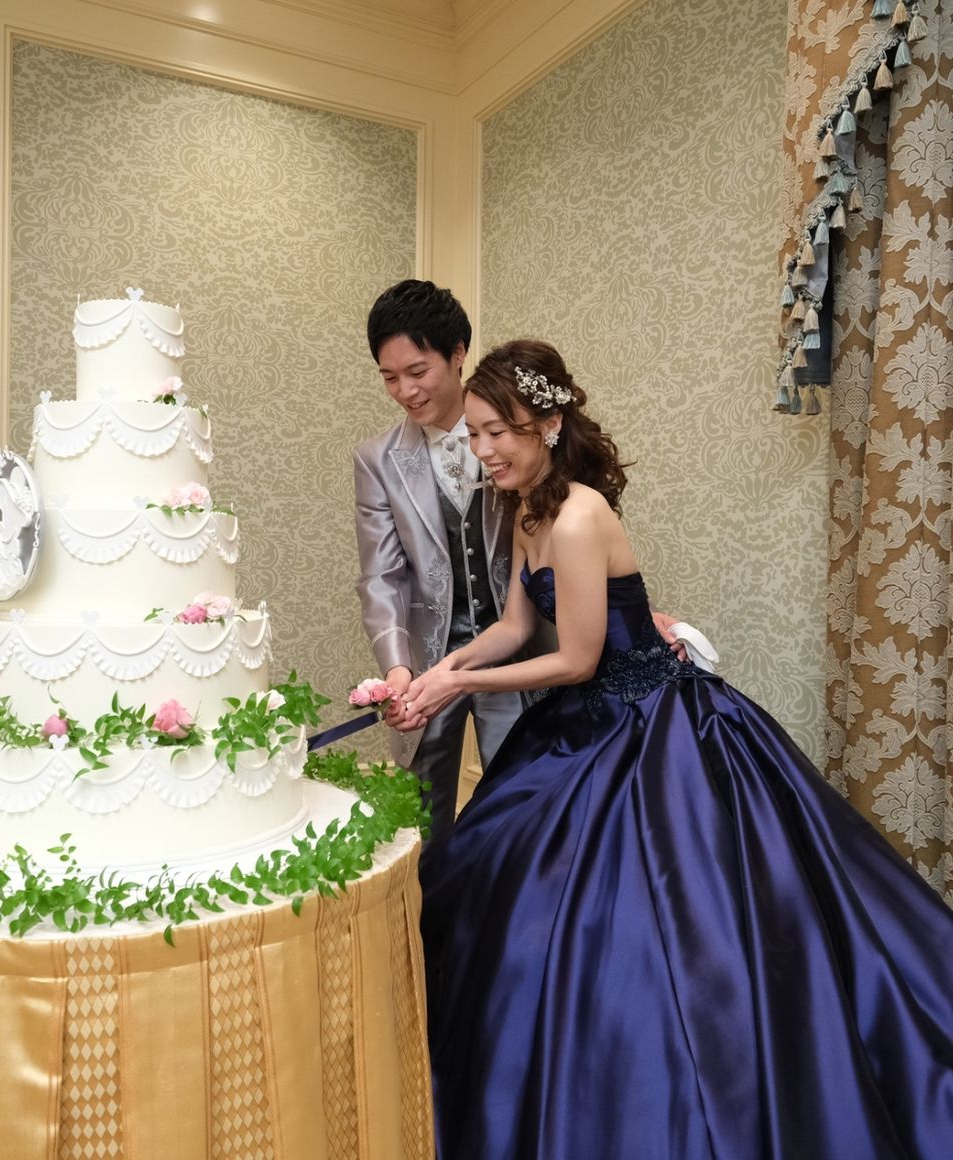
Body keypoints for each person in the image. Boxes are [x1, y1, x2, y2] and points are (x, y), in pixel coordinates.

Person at [407, 339, 953, 1159]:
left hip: (652, 720)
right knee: (481, 862)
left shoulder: (581, 513)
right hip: (587, 718)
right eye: (475, 434)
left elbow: (577, 658)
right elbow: (517, 628)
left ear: (548, 424)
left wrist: (460, 688)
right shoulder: (525, 510)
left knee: (668, 916)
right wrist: (441, 670)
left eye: (498, 432)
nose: (484, 450)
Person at [354, 280, 684, 840]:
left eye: (417, 371)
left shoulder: (559, 498)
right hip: (451, 651)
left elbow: (576, 631)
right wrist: (424, 671)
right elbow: (383, 577)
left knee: (528, 821)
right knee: (429, 824)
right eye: (389, 377)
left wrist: (630, 619)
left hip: (576, 682)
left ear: (457, 354)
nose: (405, 390)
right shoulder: (523, 502)